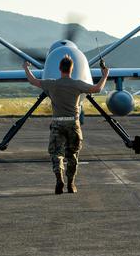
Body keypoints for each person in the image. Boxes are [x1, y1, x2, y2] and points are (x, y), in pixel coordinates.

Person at [24, 55, 109, 194]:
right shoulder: (77, 84)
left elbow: (33, 81)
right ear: (72, 69)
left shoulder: (51, 84)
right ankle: (71, 184)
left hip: (57, 123)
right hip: (73, 124)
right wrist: (105, 75)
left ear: (59, 69)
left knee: (57, 154)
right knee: (73, 155)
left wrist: (26, 68)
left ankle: (59, 179)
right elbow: (97, 89)